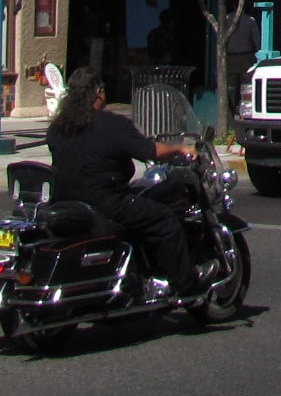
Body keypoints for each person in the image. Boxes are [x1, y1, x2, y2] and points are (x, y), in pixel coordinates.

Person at [46, 68, 197, 296]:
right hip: (106, 202)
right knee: (165, 219)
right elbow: (151, 151)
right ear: (98, 92)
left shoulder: (58, 127)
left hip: (66, 202)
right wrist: (180, 148)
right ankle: (187, 288)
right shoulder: (112, 124)